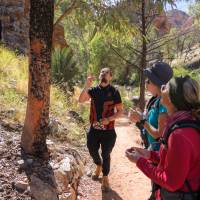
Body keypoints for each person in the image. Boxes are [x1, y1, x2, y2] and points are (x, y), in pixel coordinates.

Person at [126, 76, 200, 200]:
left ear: (171, 99)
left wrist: (140, 161)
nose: (162, 87)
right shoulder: (186, 122)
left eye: (166, 87)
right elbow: (174, 158)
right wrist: (149, 155)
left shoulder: (179, 134)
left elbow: (170, 182)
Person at [78, 68, 123, 192]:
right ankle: (98, 164)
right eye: (102, 72)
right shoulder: (93, 90)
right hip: (94, 129)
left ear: (110, 77)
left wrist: (109, 119)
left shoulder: (114, 92)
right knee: (92, 150)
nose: (103, 74)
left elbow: (120, 112)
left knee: (106, 154)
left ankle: (105, 177)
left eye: (106, 73)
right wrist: (87, 84)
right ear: (99, 76)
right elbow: (81, 100)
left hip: (108, 131)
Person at [129, 61, 173, 151]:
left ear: (157, 83)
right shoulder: (156, 99)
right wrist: (140, 118)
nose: (146, 82)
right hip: (152, 150)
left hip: (158, 155)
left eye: (148, 80)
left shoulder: (164, 103)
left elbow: (159, 135)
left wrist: (141, 119)